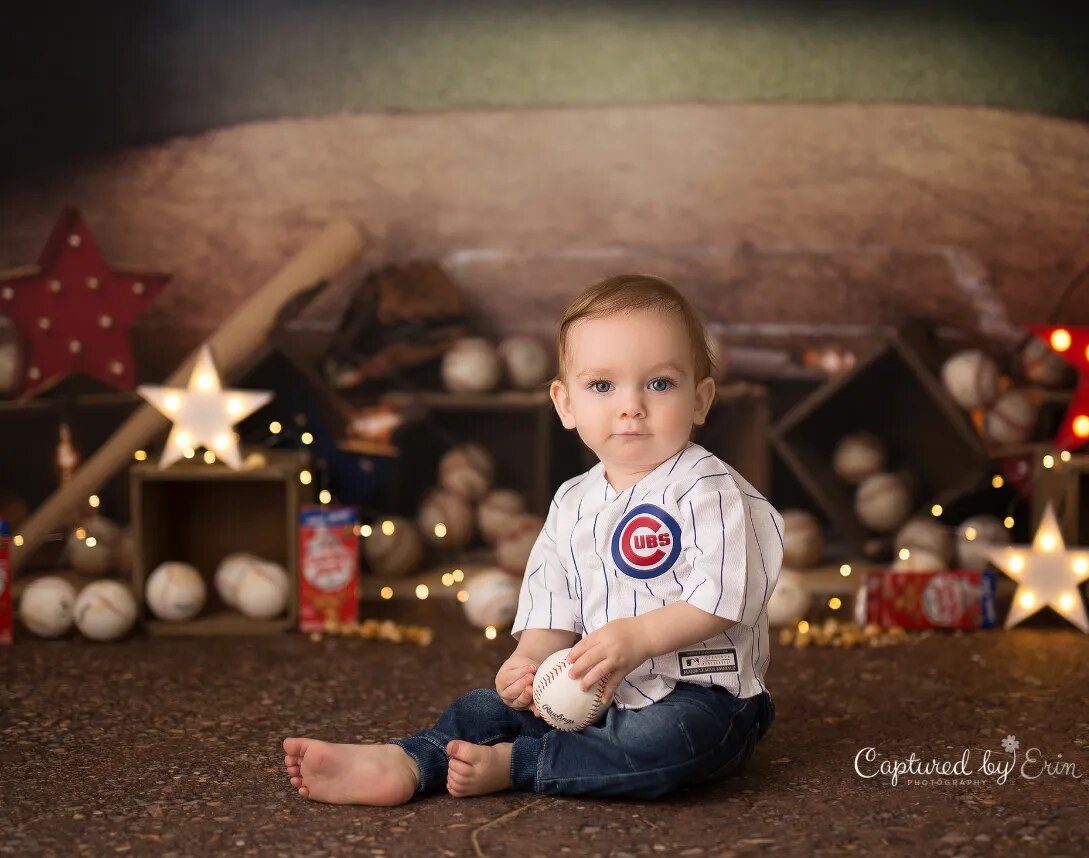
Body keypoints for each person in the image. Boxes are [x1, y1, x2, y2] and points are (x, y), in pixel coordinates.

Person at [283, 273, 782, 804]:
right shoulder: (572, 501)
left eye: (660, 384)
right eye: (602, 386)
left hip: (702, 694)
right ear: (565, 404)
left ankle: (520, 765)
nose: (631, 405)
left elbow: (724, 598)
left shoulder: (708, 488)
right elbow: (552, 605)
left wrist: (637, 638)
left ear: (701, 399)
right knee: (484, 708)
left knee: (670, 741)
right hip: (592, 693)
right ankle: (411, 759)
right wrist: (529, 663)